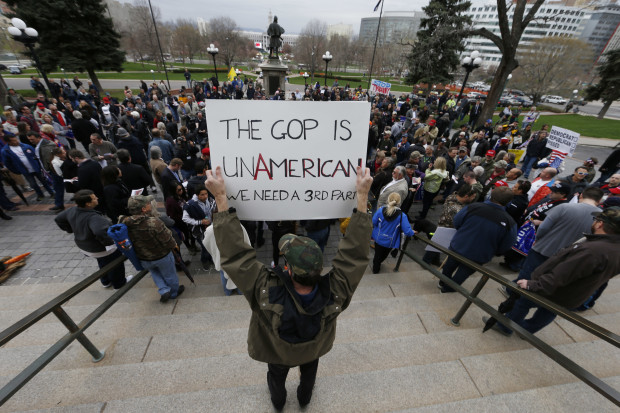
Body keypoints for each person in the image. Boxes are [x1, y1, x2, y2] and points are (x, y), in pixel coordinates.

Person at [206, 165, 372, 410]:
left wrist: (221, 197)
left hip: (278, 353)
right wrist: (362, 197)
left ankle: (279, 403)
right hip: (313, 349)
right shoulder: (337, 289)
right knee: (309, 373)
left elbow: (236, 256)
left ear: (289, 270)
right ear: (320, 268)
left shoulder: (264, 288)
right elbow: (355, 256)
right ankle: (305, 399)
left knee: (276, 377)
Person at [488, 206, 620, 336]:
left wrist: (533, 284)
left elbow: (563, 273)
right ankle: (527, 330)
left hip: (553, 290)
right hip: (573, 294)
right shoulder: (613, 248)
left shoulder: (593, 250)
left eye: (596, 219)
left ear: (600, 224)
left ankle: (505, 327)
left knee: (523, 302)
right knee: (549, 311)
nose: (593, 221)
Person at [438, 186, 517, 293]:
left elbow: (457, 221)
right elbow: (507, 244)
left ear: (491, 195)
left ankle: (443, 282)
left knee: (448, 266)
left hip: (458, 246)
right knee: (462, 274)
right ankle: (448, 289)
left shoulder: (473, 207)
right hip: (479, 256)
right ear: (508, 202)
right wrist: (495, 252)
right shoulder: (509, 222)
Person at [55, 189, 128, 289]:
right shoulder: (93, 217)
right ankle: (119, 283)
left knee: (102, 262)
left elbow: (58, 219)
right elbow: (99, 232)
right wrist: (110, 243)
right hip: (101, 249)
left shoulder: (72, 210)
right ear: (88, 204)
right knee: (115, 264)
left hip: (86, 247)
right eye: (94, 198)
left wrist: (70, 230)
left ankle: (105, 281)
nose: (97, 198)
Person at [120, 195, 185, 302]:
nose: (150, 204)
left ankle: (164, 290)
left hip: (143, 257)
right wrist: (174, 246)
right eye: (147, 203)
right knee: (170, 275)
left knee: (155, 273)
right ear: (143, 209)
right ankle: (174, 292)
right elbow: (167, 239)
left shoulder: (125, 222)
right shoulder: (154, 222)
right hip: (161, 256)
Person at [1, 134, 55, 201]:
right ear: (8, 142)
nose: (17, 141)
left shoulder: (25, 146)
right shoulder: (6, 151)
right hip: (25, 171)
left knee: (44, 181)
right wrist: (16, 171)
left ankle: (52, 192)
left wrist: (39, 165)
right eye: (14, 141)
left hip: (36, 168)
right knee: (33, 184)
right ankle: (40, 195)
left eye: (16, 139)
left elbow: (36, 155)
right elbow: (8, 163)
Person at [372, 192, 415, 274]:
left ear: (388, 199)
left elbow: (373, 222)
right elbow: (407, 231)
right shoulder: (402, 215)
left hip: (378, 238)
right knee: (384, 255)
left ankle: (375, 269)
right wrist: (412, 232)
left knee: (377, 254)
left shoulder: (381, 210)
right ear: (399, 202)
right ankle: (378, 263)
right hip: (390, 241)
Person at [27, 131, 65, 211]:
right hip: (51, 170)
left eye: (32, 139)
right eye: (29, 140)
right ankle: (59, 204)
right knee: (58, 187)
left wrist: (48, 169)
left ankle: (59, 204)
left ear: (39, 137)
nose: (31, 141)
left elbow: (50, 159)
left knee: (58, 187)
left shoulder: (45, 147)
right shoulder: (41, 145)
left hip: (53, 170)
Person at [182, 185, 215, 270]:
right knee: (205, 246)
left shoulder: (210, 200)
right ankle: (204, 260)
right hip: (199, 230)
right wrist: (200, 222)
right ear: (197, 195)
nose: (205, 196)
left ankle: (210, 258)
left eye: (206, 194)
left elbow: (213, 210)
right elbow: (185, 218)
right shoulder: (190, 205)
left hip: (210, 228)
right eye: (202, 195)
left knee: (210, 244)